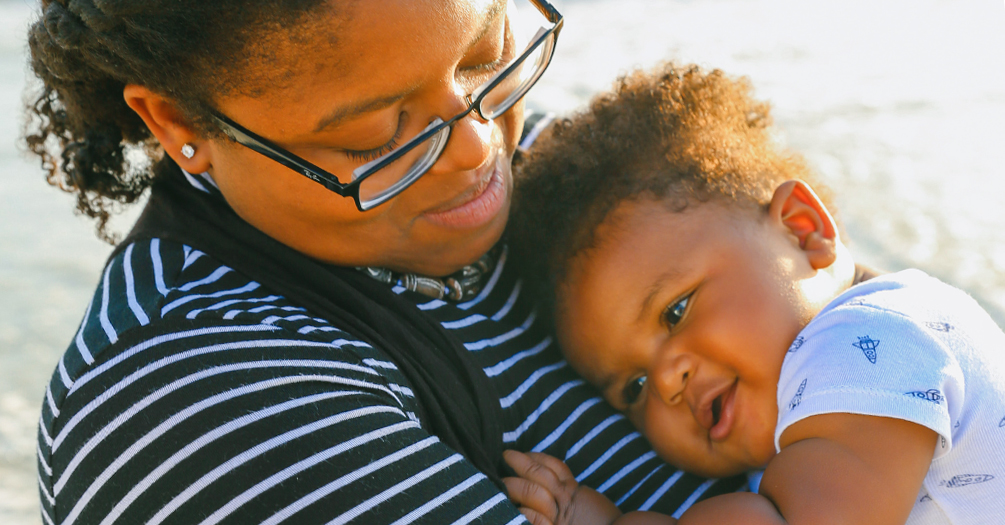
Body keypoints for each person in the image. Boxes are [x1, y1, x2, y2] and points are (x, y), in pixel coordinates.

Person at [25, 1, 749, 524]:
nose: (474, 147)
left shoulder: (597, 184)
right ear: (179, 123)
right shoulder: (184, 403)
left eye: (483, 57)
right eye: (375, 135)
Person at [503, 62, 1005, 524]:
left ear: (802, 229)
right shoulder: (808, 434)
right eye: (633, 388)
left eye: (676, 311)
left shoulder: (870, 338)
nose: (667, 381)